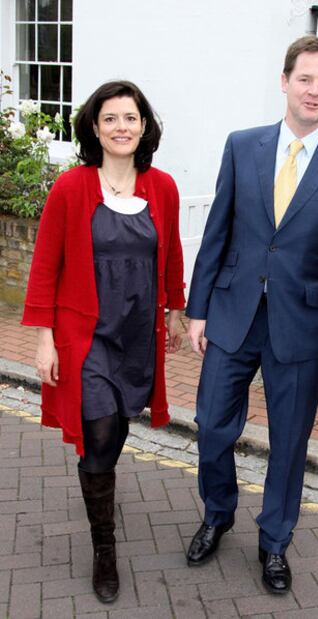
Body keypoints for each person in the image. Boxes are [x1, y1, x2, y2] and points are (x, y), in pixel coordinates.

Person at [185, 35, 318, 594]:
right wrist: (198, 310)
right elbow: (217, 231)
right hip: (231, 314)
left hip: (299, 324)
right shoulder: (241, 146)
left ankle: (275, 541)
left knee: (290, 441)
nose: (314, 90)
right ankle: (218, 512)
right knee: (211, 427)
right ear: (284, 81)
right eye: (305, 78)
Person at [22, 81, 185, 603]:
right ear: (95, 127)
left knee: (116, 429)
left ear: (144, 127)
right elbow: (45, 264)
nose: (121, 127)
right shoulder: (71, 188)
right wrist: (45, 338)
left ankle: (98, 478)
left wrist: (176, 310)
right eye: (110, 118)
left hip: (138, 334)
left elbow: (173, 252)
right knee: (98, 432)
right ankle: (105, 554)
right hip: (85, 334)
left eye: (130, 118)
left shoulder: (162, 187)